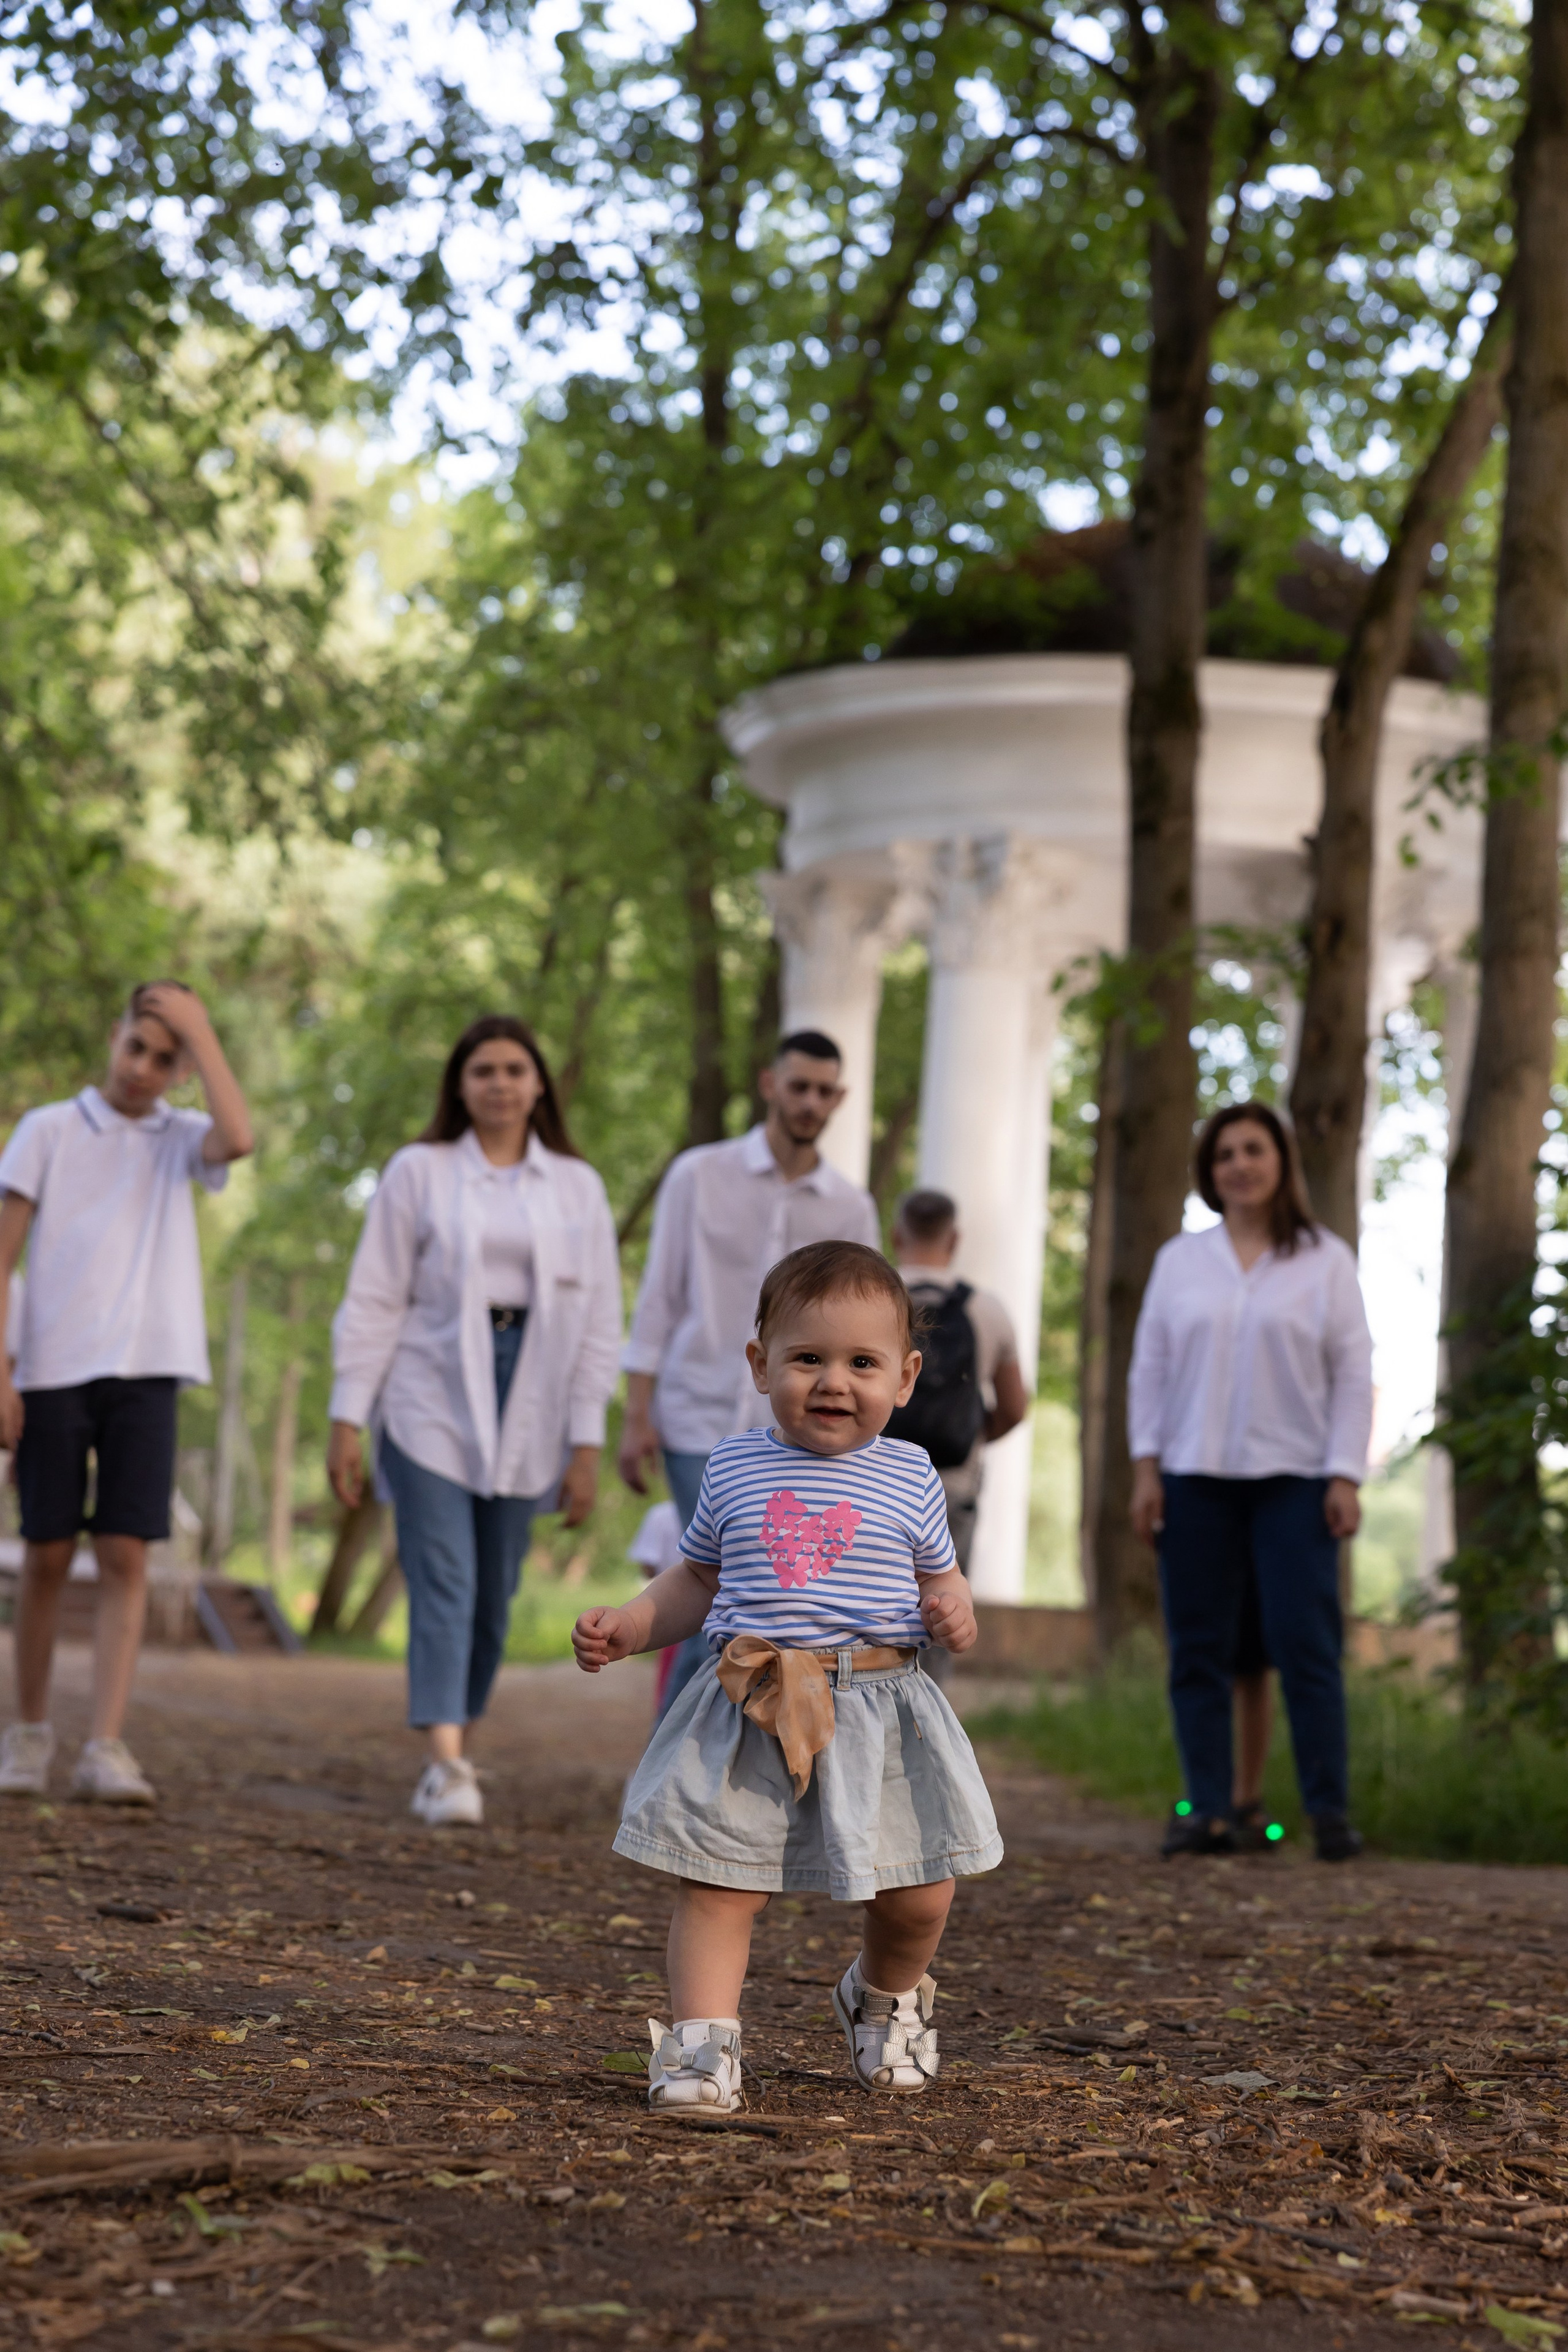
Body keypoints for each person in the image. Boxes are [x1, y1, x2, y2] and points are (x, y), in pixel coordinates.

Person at [575, 1240, 1001, 2112]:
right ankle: (700, 2046)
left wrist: (953, 1606)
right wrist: (628, 1628)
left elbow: (938, 1575)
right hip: (752, 1702)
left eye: (862, 1363)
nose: (834, 1382)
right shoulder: (734, 1467)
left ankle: (882, 1998)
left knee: (922, 1887)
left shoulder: (914, 1474)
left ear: (907, 1378)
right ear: (760, 1365)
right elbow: (698, 1579)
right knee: (721, 1882)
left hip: (883, 1704)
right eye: (808, 1359)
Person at [328, 1015, 620, 1830]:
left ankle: (462, 1743)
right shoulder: (418, 1173)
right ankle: (447, 1762)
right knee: (446, 1580)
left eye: (515, 1070)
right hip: (428, 1388)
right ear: (459, 1084)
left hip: (535, 1391)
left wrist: (587, 1443)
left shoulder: (576, 1186)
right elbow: (375, 1297)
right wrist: (348, 1416)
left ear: (538, 1086)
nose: (499, 1083)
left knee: (495, 1592)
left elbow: (600, 1320)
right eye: (483, 1070)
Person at [0, 982, 254, 1803]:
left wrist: (201, 1031)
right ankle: (29, 1733)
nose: (144, 1067)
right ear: (113, 1038)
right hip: (51, 1370)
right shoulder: (46, 1130)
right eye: (136, 1046)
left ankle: (105, 1745)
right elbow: (2, 1260)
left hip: (149, 1370)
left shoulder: (183, 1139)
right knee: (44, 1554)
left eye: (166, 1057)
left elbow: (241, 1137)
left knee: (125, 1554)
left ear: (183, 1069)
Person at [1128, 1099, 1373, 1864]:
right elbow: (1152, 1369)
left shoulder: (1324, 1260)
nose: (1239, 1164)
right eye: (1225, 1153)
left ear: (1280, 1162)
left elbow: (1353, 1372)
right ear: (1211, 1172)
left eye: (1253, 1150)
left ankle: (1327, 1813)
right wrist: (1146, 1469)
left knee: (1306, 1647)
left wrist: (1345, 1473)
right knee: (1198, 1651)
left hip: (1295, 1481)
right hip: (1193, 1476)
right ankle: (1207, 1810)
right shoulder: (1180, 1261)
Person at [619, 1030, 880, 1719]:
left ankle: (687, 1766)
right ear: (770, 1084)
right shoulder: (697, 1176)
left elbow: (864, 1328)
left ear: (840, 1099)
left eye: (825, 1092)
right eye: (799, 1087)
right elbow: (659, 1298)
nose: (810, 1102)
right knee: (715, 1589)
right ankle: (673, 1766)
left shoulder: (851, 1208)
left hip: (794, 1431)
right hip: (693, 1416)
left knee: (746, 1605)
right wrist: (635, 1414)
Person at [888, 1188, 1030, 1583]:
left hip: (870, 1476)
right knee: (943, 1602)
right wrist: (974, 1434)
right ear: (954, 1239)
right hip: (953, 1482)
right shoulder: (988, 1309)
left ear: (897, 1236)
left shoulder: (870, 1301)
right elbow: (1015, 1407)